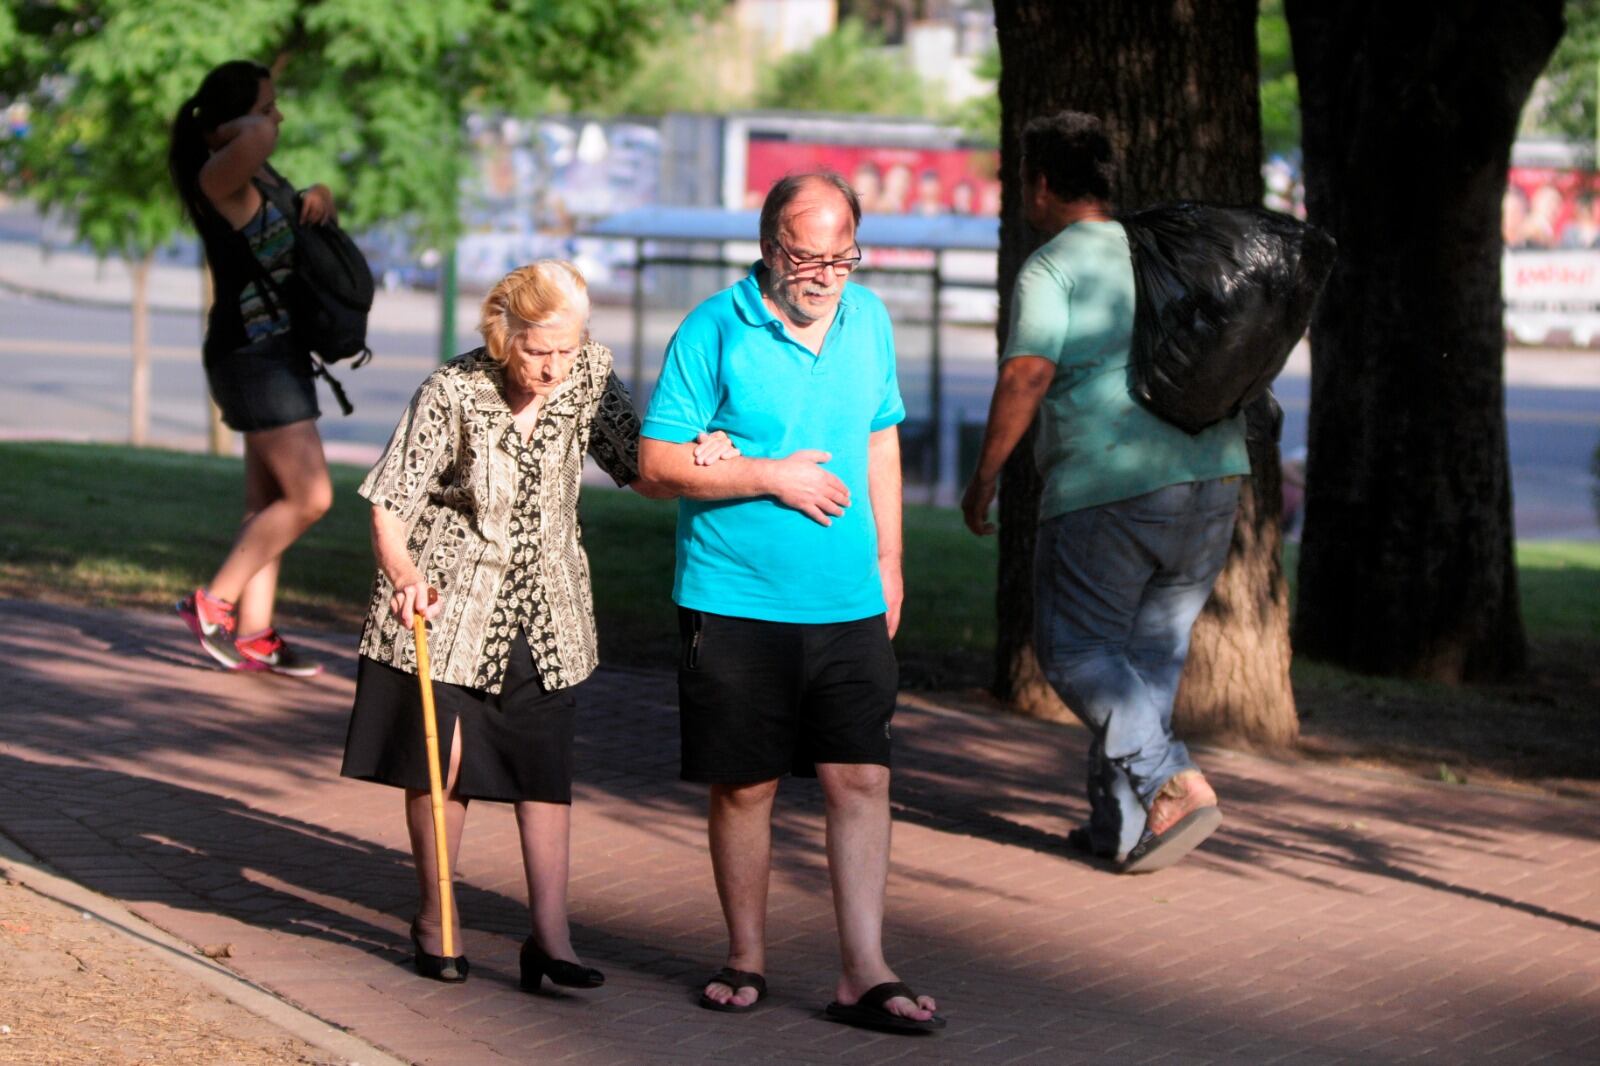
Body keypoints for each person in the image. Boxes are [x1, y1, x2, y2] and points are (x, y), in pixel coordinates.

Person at [340, 262, 735, 988]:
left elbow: (642, 469)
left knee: (543, 770)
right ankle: (436, 920)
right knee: (446, 767)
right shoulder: (451, 391)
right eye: (537, 350)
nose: (553, 367)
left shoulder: (587, 377)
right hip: (449, 602)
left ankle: (551, 943)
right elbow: (390, 501)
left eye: (566, 348)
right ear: (504, 333)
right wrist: (405, 576)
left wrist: (700, 451)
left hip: (548, 604)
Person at [638, 173, 945, 1034]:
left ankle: (865, 971)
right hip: (734, 598)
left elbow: (881, 433)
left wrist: (890, 560)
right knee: (746, 787)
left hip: (848, 601)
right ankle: (746, 955)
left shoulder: (871, 318)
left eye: (840, 256)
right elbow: (656, 467)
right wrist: (770, 475)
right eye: (805, 256)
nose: (822, 274)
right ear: (769, 245)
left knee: (862, 777)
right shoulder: (713, 328)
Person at [960, 112, 1250, 875]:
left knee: (1076, 650)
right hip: (1213, 476)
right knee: (1148, 662)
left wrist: (986, 476)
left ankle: (1169, 781)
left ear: (1042, 184)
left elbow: (1027, 374)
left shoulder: (1054, 266)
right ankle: (1123, 829)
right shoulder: (1163, 252)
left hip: (1113, 484)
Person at [167, 60, 336, 677]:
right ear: (230, 123)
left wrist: (320, 199)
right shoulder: (220, 176)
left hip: (275, 352)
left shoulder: (252, 172)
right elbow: (257, 136)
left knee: (268, 502)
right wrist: (237, 123)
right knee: (312, 496)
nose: (276, 118)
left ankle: (255, 634)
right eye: (267, 106)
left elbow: (287, 227)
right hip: (254, 358)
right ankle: (213, 603)